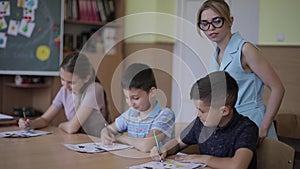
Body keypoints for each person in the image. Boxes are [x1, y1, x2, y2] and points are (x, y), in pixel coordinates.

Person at [197, 0, 285, 142]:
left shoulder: (245, 49)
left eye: (217, 21)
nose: (211, 28)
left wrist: (263, 128)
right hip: (229, 124)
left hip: (253, 122)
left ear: (230, 21)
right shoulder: (215, 55)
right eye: (205, 23)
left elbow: (277, 88)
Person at [150, 71, 259, 169]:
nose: (197, 115)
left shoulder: (246, 129)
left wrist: (204, 159)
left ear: (224, 111)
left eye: (202, 111)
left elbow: (237, 166)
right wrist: (164, 149)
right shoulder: (201, 123)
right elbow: (178, 142)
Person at [18, 52, 109, 137]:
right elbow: (45, 119)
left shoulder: (94, 89)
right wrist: (30, 124)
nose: (65, 86)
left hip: (96, 142)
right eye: (62, 79)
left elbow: (72, 128)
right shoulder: (64, 91)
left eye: (71, 82)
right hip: (78, 141)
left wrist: (61, 125)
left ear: (86, 78)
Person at [100, 63, 175, 153]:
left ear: (152, 92)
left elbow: (146, 146)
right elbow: (107, 129)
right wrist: (105, 134)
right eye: (127, 98)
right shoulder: (131, 113)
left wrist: (118, 137)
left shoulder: (165, 115)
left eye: (135, 98)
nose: (130, 104)